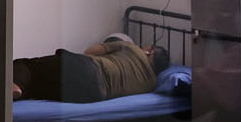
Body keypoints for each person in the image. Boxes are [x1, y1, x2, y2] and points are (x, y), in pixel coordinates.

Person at [11, 34, 170, 103]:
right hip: (92, 95)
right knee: (38, 87)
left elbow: (89, 52)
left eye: (146, 47)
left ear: (149, 51)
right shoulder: (151, 85)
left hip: (90, 69)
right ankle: (18, 90)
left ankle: (16, 85)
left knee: (26, 65)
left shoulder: (132, 48)